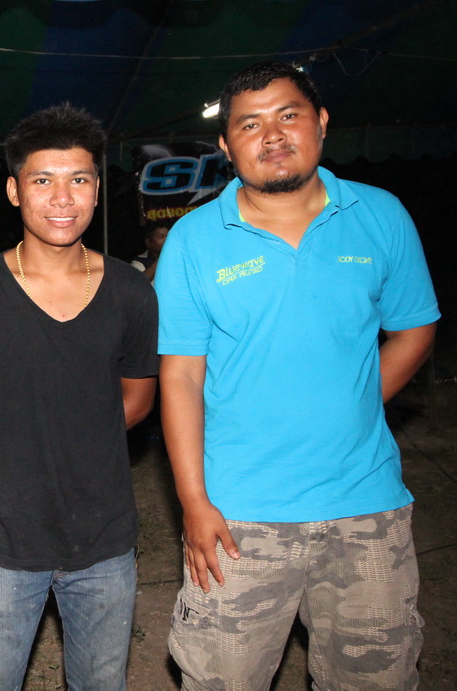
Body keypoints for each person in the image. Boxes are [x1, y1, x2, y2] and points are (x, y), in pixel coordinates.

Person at [155, 60, 437, 690]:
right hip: (238, 514)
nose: (272, 135)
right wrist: (194, 503)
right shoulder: (194, 240)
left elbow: (415, 327)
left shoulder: (381, 216)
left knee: (377, 680)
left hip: (367, 510)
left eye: (288, 115)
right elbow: (181, 379)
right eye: (250, 124)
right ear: (227, 145)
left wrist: (359, 401)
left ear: (321, 122)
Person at [0, 104, 159, 690]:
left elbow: (139, 397)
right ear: (14, 190)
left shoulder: (131, 293)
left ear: (97, 190)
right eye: (43, 180)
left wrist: (73, 437)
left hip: (104, 543)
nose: (62, 198)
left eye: (78, 179)